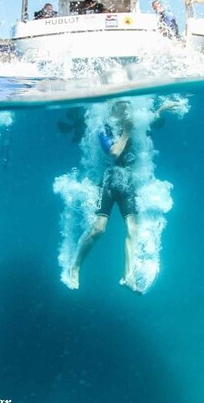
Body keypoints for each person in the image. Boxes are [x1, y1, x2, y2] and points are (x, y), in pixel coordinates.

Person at [66, 100, 180, 292]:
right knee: (98, 230)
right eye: (123, 104)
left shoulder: (133, 123)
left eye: (129, 104)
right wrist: (127, 131)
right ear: (113, 108)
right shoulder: (104, 127)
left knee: (133, 228)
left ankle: (128, 277)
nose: (128, 107)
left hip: (128, 183)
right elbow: (113, 152)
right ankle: (76, 266)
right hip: (109, 181)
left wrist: (162, 108)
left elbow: (150, 120)